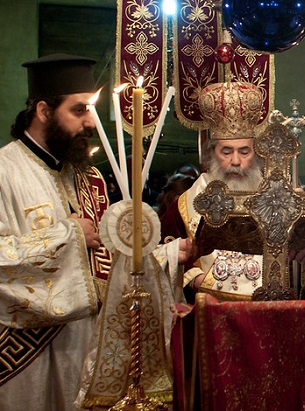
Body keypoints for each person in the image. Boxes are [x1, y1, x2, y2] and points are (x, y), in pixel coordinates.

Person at [0, 54, 190, 410]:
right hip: (26, 355)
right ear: (43, 110)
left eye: (91, 110)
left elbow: (111, 262)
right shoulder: (4, 171)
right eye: (79, 110)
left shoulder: (90, 179)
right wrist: (66, 236)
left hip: (85, 346)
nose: (91, 122)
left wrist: (165, 254)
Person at [160, 80, 266, 302]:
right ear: (212, 154)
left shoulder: (274, 199)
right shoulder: (183, 206)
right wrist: (194, 278)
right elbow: (163, 254)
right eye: (226, 152)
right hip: (207, 310)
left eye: (244, 152)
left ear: (256, 154)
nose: (235, 161)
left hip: (265, 305)